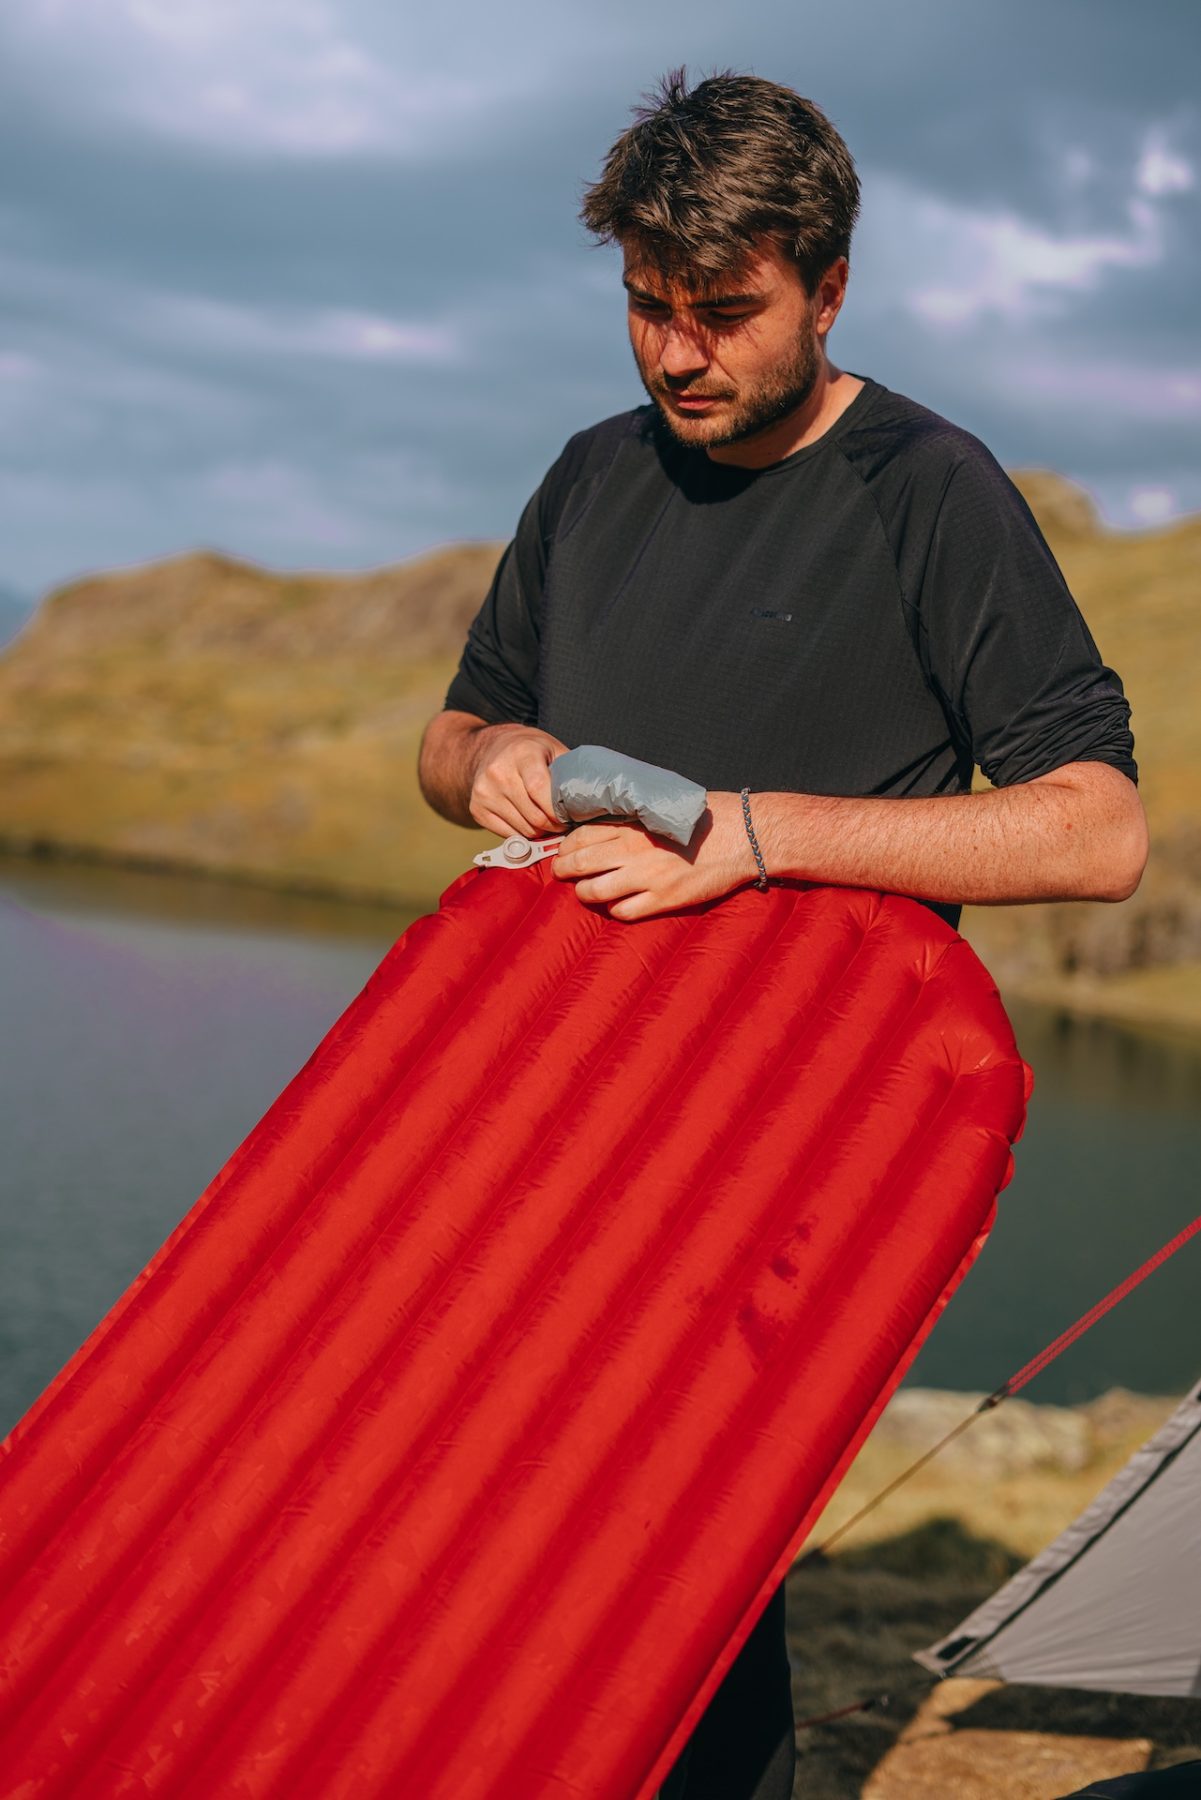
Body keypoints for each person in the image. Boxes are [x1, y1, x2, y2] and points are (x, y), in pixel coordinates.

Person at [417, 68, 1147, 1800]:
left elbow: (1094, 829)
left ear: (827, 288)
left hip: (777, 1146)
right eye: (645, 307)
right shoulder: (591, 477)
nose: (676, 356)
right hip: (549, 1124)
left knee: (679, 1568)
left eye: (723, 313)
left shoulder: (929, 489)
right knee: (513, 1542)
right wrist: (488, 761)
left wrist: (751, 838)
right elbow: (450, 737)